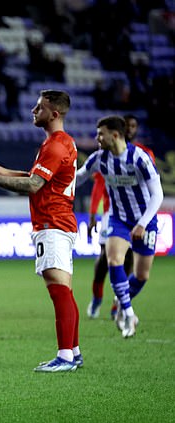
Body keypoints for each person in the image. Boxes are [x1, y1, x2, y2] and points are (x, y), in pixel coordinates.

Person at [0, 90, 81, 372]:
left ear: (54, 114)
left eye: (39, 107)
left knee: (59, 290)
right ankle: (73, 352)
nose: (33, 110)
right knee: (63, 289)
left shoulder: (55, 145)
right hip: (59, 221)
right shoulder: (61, 143)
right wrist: (1, 170)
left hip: (52, 222)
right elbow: (35, 178)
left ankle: (65, 356)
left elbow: (33, 186)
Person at [76, 115, 163, 338]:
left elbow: (157, 195)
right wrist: (51, 181)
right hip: (118, 219)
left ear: (114, 135)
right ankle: (128, 312)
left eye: (100, 133)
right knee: (114, 260)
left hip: (145, 220)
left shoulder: (139, 158)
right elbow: (80, 177)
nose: (97, 137)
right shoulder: (99, 158)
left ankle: (121, 298)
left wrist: (143, 223)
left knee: (141, 275)